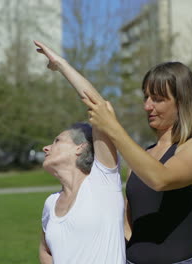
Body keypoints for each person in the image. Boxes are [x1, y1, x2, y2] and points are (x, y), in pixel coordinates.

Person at [82, 62, 192, 264]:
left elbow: (161, 179)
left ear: (182, 102)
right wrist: (62, 65)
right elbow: (128, 219)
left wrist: (113, 128)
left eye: (158, 99)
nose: (147, 106)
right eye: (146, 97)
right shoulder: (145, 155)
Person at [34, 41, 125, 264]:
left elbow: (99, 106)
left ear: (80, 147)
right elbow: (46, 250)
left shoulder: (102, 182)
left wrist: (61, 65)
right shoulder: (50, 204)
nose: (46, 148)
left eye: (56, 141)